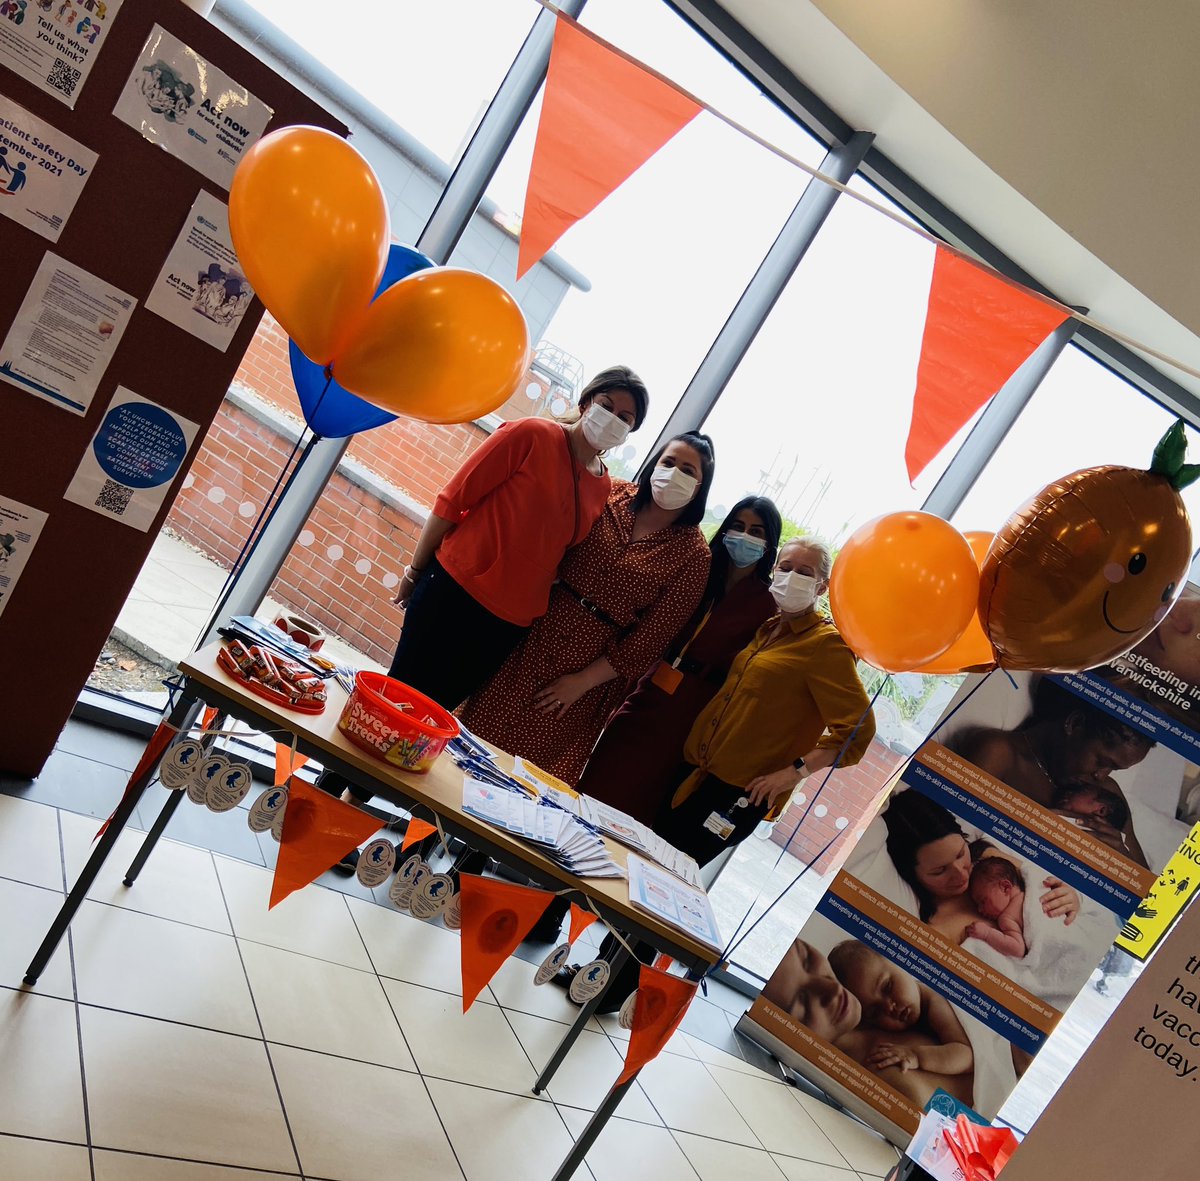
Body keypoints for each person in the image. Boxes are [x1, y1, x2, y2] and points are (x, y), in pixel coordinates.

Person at [320, 367, 649, 834]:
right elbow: (452, 499)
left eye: (626, 418)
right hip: (453, 591)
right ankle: (321, 798)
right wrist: (416, 569)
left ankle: (349, 811)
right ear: (585, 402)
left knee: (429, 719)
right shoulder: (532, 434)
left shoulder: (603, 487)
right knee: (397, 697)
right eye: (607, 406)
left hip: (507, 624)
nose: (613, 419)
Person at [458, 431, 716, 787]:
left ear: (701, 486)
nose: (674, 473)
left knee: (520, 773)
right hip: (532, 632)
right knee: (471, 733)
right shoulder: (611, 492)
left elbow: (651, 638)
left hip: (591, 666)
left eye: (688, 470)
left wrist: (581, 683)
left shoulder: (694, 554)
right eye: (669, 462)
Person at [654, 537, 876, 867]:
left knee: (667, 874)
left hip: (739, 792)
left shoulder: (826, 645)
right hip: (697, 771)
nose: (792, 577)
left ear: (821, 587)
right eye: (785, 568)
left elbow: (858, 731)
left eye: (804, 572)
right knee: (646, 861)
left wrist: (794, 773)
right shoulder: (768, 628)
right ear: (774, 571)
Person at [574, 495, 781, 823]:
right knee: (601, 777)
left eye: (756, 532)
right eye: (738, 527)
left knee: (643, 802)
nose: (745, 537)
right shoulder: (699, 572)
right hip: (652, 687)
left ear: (770, 543)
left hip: (699, 709)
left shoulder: (768, 603)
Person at [953, 677, 1155, 866]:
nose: (1101, 775)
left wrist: (1123, 861)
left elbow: (1152, 889)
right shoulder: (999, 754)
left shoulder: (1106, 793)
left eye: (1114, 770)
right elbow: (952, 840)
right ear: (1074, 724)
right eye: (1102, 762)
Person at [881, 789, 1080, 946]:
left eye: (960, 854)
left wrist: (1070, 896)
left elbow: (1043, 884)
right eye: (939, 871)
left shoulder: (989, 861)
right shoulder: (940, 930)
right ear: (912, 874)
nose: (961, 874)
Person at [827, 940, 974, 1078]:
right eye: (875, 1012)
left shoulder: (936, 1002)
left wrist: (916, 1055)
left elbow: (966, 1055)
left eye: (887, 987)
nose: (889, 1007)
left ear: (899, 961)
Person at [965, 858, 1026, 957]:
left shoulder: (1006, 918)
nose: (979, 909)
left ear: (1005, 888)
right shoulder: (1010, 915)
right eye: (977, 905)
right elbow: (1017, 948)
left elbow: (1018, 950)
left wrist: (987, 933)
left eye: (983, 901)